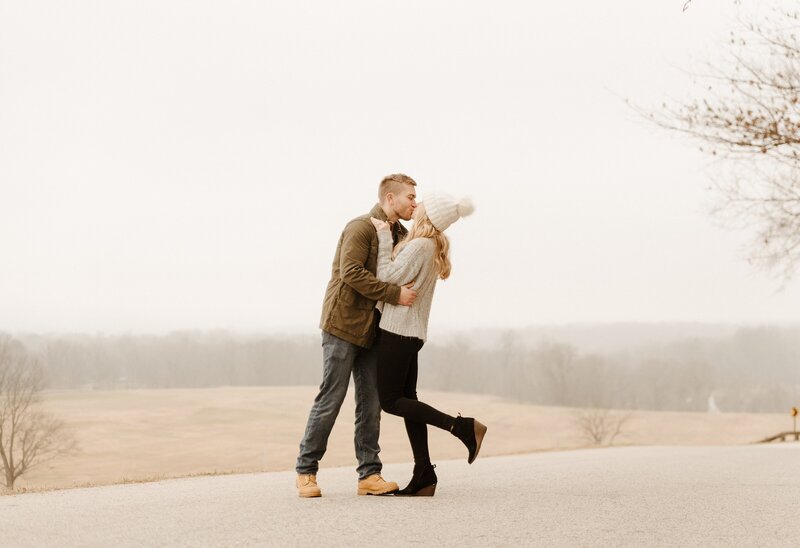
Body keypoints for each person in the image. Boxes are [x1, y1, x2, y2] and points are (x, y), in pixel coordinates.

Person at [295, 173, 420, 498]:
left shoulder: (401, 234)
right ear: (389, 198)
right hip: (342, 325)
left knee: (371, 401)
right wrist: (394, 294)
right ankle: (306, 471)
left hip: (374, 330)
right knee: (331, 398)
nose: (414, 203)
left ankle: (369, 475)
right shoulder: (361, 227)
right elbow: (351, 273)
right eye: (410, 197)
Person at [370, 193, 486, 497]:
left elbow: (386, 276)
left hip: (397, 332)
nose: (416, 205)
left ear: (428, 215)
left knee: (390, 400)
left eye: (420, 204)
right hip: (411, 334)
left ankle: (461, 427)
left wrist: (384, 238)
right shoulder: (428, 244)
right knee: (410, 402)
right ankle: (424, 472)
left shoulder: (421, 246)